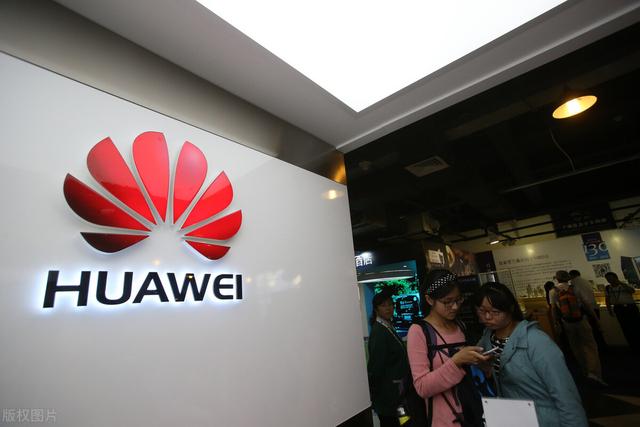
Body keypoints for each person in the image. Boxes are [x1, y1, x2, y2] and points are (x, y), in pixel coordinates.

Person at [475, 282, 588, 427]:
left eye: (495, 312)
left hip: (545, 420)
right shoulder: (488, 337)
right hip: (516, 418)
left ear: (510, 308)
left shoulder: (537, 341)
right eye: (481, 311)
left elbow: (565, 395)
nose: (487, 317)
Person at [407, 269, 488, 427]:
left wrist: (482, 364)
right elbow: (422, 387)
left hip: (474, 414)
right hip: (443, 421)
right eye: (447, 301)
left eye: (458, 300)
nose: (455, 307)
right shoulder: (419, 331)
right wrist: (456, 362)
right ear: (429, 299)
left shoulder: (461, 326)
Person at [549, 270, 605, 385]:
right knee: (590, 346)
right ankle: (594, 373)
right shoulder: (575, 288)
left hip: (567, 322)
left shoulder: (553, 291)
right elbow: (586, 304)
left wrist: (555, 323)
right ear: (568, 278)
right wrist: (596, 319)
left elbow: (554, 308)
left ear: (557, 279)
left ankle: (585, 371)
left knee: (576, 347)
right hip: (581, 320)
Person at [368, 290, 410, 427]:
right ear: (376, 309)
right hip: (389, 396)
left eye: (390, 304)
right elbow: (376, 367)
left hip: (399, 395)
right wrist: (375, 393)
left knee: (404, 421)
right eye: (383, 305)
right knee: (393, 423)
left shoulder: (387, 326)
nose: (388, 308)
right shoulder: (378, 331)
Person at [569, 270, 607, 352]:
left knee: (589, 332)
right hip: (593, 306)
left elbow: (582, 299)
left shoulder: (575, 283)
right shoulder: (586, 281)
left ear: (571, 275)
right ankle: (602, 349)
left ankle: (596, 351)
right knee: (596, 330)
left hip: (585, 309)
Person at [604, 272, 640, 351]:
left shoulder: (624, 285)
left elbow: (632, 291)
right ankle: (633, 347)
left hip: (630, 307)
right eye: (607, 278)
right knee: (625, 328)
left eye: (610, 278)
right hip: (619, 309)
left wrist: (621, 283)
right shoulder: (608, 288)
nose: (609, 280)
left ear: (615, 277)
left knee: (636, 326)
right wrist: (609, 309)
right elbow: (607, 299)